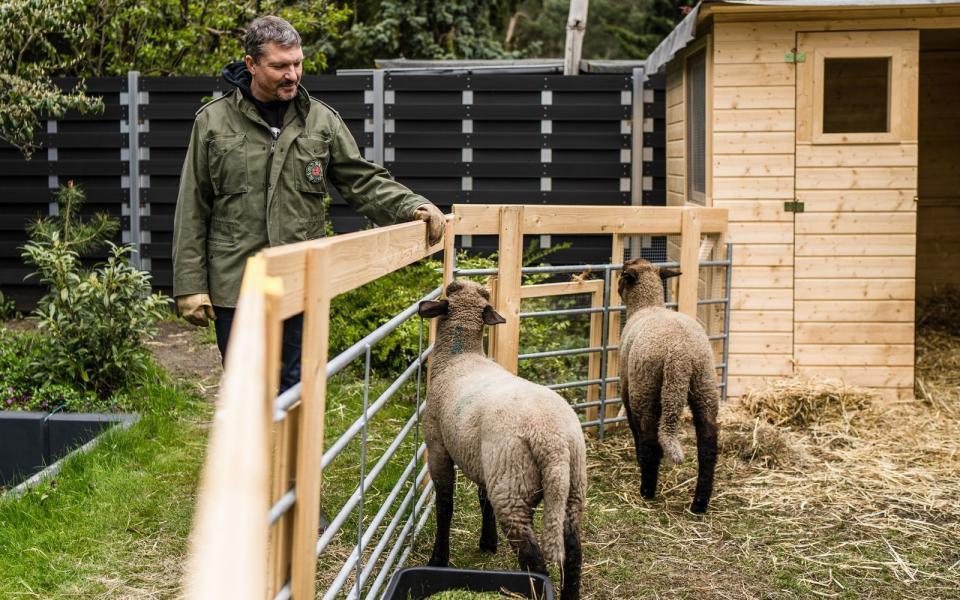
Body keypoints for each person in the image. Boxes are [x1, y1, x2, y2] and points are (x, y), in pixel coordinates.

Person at [172, 15, 444, 392]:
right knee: (246, 393)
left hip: (301, 281)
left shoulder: (321, 121)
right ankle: (258, 453)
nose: (292, 74)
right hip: (236, 284)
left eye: (297, 63)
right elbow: (192, 206)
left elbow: (361, 179)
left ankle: (292, 453)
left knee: (297, 389)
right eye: (280, 66)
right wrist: (190, 284)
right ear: (251, 64)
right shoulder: (213, 122)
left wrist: (411, 206)